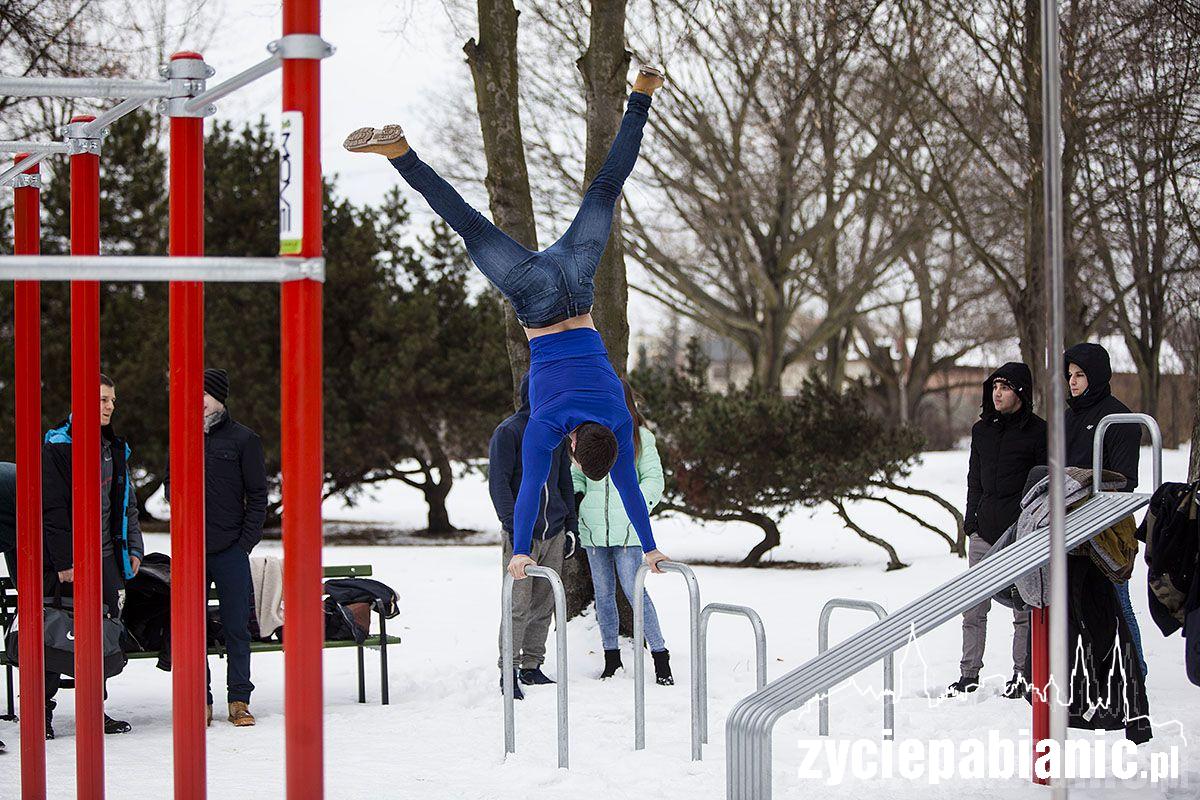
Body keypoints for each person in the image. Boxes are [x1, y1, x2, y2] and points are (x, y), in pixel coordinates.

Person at [344, 65, 672, 582]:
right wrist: (521, 550)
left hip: (575, 285)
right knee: (469, 224)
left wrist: (652, 547)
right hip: (535, 302)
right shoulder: (545, 425)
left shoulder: (619, 417)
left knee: (606, 189)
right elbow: (530, 494)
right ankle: (400, 153)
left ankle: (642, 95)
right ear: (572, 446)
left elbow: (630, 489)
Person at [42, 373, 142, 738]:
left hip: (105, 555)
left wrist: (133, 547)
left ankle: (92, 710)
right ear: (81, 402)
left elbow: (126, 503)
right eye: (102, 399)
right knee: (54, 628)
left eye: (112, 400)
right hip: (66, 561)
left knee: (102, 634)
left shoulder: (113, 448)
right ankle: (43, 714)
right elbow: (51, 508)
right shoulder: (57, 445)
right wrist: (65, 561)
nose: (110, 406)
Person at [948, 363, 1045, 698]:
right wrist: (970, 522)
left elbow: (1043, 484)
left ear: (1020, 391)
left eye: (1005, 387)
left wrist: (1030, 525)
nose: (998, 393)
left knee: (1023, 609)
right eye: (994, 387)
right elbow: (974, 478)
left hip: (1021, 532)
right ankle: (968, 674)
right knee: (973, 608)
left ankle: (1022, 675)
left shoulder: (1038, 432)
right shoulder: (981, 431)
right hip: (983, 530)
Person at [575, 380, 672, 684]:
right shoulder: (589, 436)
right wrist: (578, 501)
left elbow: (654, 479)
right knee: (604, 597)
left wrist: (637, 507)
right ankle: (611, 659)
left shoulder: (640, 437)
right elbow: (577, 474)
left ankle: (660, 657)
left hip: (629, 532)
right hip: (593, 531)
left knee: (635, 593)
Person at [488, 374, 578, 698]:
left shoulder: (555, 434)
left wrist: (571, 527)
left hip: (554, 533)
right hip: (521, 539)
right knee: (517, 604)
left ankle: (532, 665)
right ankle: (508, 670)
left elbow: (564, 483)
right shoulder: (508, 432)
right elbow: (498, 485)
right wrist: (514, 529)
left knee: (544, 602)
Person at [1063, 342, 1147, 676]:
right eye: (1070, 375)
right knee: (1080, 603)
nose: (1072, 381)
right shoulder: (1068, 417)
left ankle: (1136, 670)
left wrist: (1087, 488)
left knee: (1117, 601)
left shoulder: (1120, 418)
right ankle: (1094, 671)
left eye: (1080, 375)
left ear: (1096, 375)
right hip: (1070, 523)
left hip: (1108, 526)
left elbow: (1126, 479)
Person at [192, 368, 269, 726]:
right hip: (192, 551)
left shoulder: (244, 439)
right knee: (192, 629)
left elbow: (257, 496)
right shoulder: (183, 436)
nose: (197, 402)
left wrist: (244, 544)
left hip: (230, 551)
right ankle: (199, 700)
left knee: (237, 626)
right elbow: (168, 481)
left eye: (203, 394)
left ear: (218, 398)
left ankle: (239, 700)